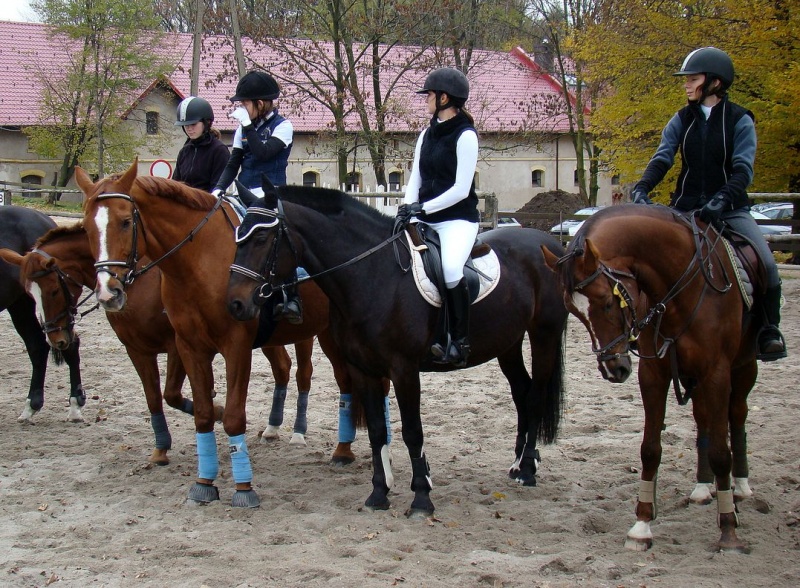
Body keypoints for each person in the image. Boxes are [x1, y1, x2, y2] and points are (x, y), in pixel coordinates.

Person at [631, 47, 786, 361]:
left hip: (730, 209)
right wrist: (642, 187)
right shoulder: (681, 119)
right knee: (646, 263)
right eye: (686, 79)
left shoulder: (741, 120)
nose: (686, 85)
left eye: (693, 79)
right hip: (685, 208)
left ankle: (770, 330)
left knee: (768, 266)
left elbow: (743, 169)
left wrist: (721, 199)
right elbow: (663, 158)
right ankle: (641, 326)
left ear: (715, 82)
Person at [396, 67, 480, 368]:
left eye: (429, 95)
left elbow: (460, 189)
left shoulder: (466, 136)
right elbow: (415, 178)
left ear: (444, 98)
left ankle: (459, 341)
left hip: (457, 220)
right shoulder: (426, 134)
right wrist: (408, 208)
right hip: (425, 217)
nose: (426, 100)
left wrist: (423, 209)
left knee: (451, 269)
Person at [212, 70, 301, 324]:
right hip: (246, 193)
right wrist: (218, 188)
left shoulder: (283, 126)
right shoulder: (244, 129)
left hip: (271, 194)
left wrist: (248, 126)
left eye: (245, 103)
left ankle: (291, 297)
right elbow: (234, 162)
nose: (241, 108)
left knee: (284, 236)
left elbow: (263, 153)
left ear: (260, 104)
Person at [172, 96, 230, 191]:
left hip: (208, 203)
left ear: (206, 122)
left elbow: (217, 187)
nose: (189, 129)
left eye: (193, 124)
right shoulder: (184, 151)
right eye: (186, 125)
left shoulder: (219, 150)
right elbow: (175, 183)